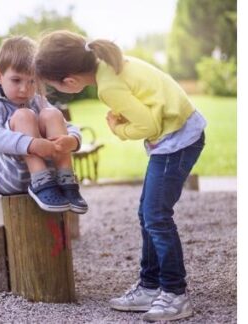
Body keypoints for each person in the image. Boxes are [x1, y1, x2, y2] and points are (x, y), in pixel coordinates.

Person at [35, 30, 207, 322]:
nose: (55, 92)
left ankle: (175, 293)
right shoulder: (110, 63)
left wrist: (119, 129)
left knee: (156, 216)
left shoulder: (108, 86)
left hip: (176, 141)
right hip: (179, 132)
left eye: (53, 87)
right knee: (148, 214)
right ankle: (150, 286)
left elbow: (149, 125)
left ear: (70, 81)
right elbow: (149, 102)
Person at [0, 36, 88, 214]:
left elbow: (66, 125)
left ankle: (66, 179)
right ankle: (41, 181)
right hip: (6, 175)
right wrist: (31, 144)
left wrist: (73, 140)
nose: (25, 89)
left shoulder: (37, 100)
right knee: (24, 116)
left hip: (50, 177)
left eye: (32, 81)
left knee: (52, 114)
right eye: (16, 80)